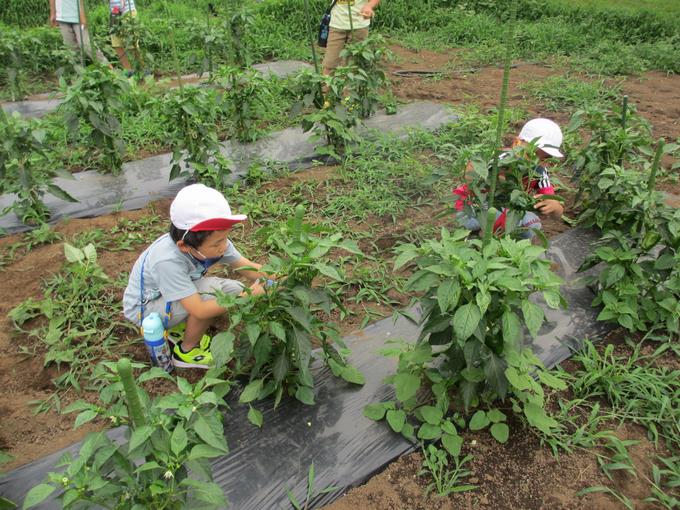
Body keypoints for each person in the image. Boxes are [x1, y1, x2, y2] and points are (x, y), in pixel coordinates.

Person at [123, 184, 274, 369]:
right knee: (214, 295)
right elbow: (199, 310)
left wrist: (278, 273)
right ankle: (186, 351)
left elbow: (247, 268)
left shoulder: (214, 241)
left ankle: (181, 325)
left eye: (226, 238)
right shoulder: (166, 261)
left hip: (169, 296)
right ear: (185, 246)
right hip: (145, 310)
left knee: (235, 289)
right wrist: (249, 295)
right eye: (218, 243)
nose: (224, 246)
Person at [453, 118, 565, 238]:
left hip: (504, 210)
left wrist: (554, 206)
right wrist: (495, 176)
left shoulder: (540, 173)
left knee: (532, 225)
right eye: (531, 154)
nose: (535, 162)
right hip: (474, 207)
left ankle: (496, 233)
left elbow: (557, 214)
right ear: (517, 143)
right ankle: (482, 234)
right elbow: (471, 172)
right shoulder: (502, 159)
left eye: (544, 159)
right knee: (471, 222)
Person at [321, 0, 381, 76]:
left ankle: (350, 87)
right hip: (337, 25)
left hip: (359, 25)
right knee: (329, 64)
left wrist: (368, 6)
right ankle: (326, 87)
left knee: (354, 65)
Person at [49, 0, 109, 66]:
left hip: (79, 16)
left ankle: (110, 70)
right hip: (62, 17)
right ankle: (80, 74)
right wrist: (53, 13)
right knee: (71, 49)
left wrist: (83, 15)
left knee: (86, 45)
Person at [109, 0, 141, 72]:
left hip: (128, 11)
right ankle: (128, 71)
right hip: (114, 12)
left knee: (132, 44)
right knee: (116, 44)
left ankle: (141, 70)